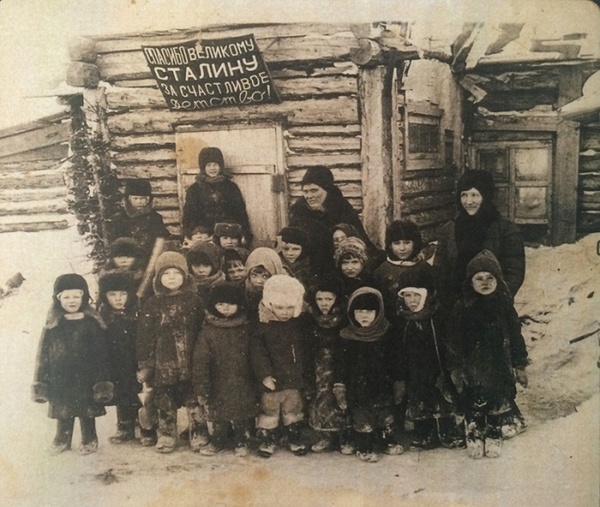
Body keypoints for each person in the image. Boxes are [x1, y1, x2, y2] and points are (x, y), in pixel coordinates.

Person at [445, 250, 528, 459]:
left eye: (490, 278)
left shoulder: (504, 307)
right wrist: (455, 367)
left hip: (498, 363)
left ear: (498, 281)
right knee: (473, 399)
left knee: (496, 399)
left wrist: (519, 365)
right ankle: (473, 431)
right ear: (470, 281)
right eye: (479, 278)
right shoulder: (462, 308)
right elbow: (453, 340)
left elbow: (516, 336)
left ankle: (493, 432)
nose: (484, 283)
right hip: (472, 364)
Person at [32, 274, 113, 455]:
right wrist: (41, 382)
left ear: (84, 297)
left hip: (87, 377)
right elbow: (42, 354)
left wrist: (102, 382)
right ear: (58, 298)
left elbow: (101, 355)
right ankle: (62, 439)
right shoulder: (53, 324)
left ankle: (90, 438)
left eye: (77, 296)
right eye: (66, 297)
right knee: (63, 410)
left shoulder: (92, 322)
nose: (72, 301)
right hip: (60, 377)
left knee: (87, 411)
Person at [136, 252, 206, 453]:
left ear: (185, 276)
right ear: (158, 278)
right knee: (164, 400)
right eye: (167, 274)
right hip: (164, 365)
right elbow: (144, 336)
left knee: (194, 401)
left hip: (192, 362)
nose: (172, 278)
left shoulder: (195, 301)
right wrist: (145, 363)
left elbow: (203, 329)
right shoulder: (152, 304)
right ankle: (166, 434)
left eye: (177, 273)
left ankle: (198, 432)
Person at [394, 266, 463, 451]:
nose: (412, 301)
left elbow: (450, 343)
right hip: (415, 371)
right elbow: (398, 351)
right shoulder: (402, 320)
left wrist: (452, 367)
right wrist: (400, 376)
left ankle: (448, 431)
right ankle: (425, 433)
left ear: (426, 295)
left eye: (417, 295)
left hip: (438, 367)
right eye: (407, 296)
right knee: (420, 400)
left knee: (443, 399)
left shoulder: (437, 316)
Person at [333, 287, 404, 462]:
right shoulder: (346, 336)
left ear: (378, 312)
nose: (364, 316)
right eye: (359, 311)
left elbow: (396, 360)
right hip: (358, 387)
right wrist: (339, 386)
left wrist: (398, 383)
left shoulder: (387, 333)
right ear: (351, 312)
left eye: (369, 311)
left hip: (382, 385)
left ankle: (387, 439)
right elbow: (340, 365)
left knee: (385, 415)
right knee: (361, 417)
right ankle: (364, 443)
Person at [437, 169, 525, 308]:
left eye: (475, 195)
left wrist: (495, 299)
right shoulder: (449, 229)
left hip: (492, 305)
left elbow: (514, 272)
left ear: (486, 196)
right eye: (464, 195)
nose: (469, 201)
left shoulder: (506, 230)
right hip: (456, 306)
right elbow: (440, 271)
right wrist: (447, 301)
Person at [192, 281, 258, 457]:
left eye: (231, 304)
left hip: (242, 378)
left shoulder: (246, 328)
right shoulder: (208, 331)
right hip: (217, 379)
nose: (226, 308)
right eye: (221, 304)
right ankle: (217, 441)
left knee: (242, 413)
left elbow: (255, 354)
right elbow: (201, 360)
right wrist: (202, 386)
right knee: (216, 414)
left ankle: (242, 441)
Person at [250, 275, 311, 458]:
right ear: (270, 305)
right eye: (279, 307)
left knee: (293, 411)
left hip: (293, 380)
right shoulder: (263, 327)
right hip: (273, 381)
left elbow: (304, 353)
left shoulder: (298, 325)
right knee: (270, 411)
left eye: (290, 307)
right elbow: (258, 354)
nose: (285, 312)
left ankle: (294, 437)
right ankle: (267, 439)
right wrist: (265, 375)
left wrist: (304, 376)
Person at [289, 166, 377, 275]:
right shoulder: (300, 213)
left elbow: (362, 242)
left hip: (342, 269)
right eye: (305, 191)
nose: (309, 196)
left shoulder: (342, 209)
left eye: (314, 190)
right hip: (309, 270)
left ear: (327, 189)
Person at [97, 271, 147, 445]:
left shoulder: (136, 315)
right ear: (105, 296)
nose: (118, 299)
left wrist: (143, 364)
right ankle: (125, 426)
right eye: (112, 294)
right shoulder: (102, 318)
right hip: (115, 364)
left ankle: (145, 424)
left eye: (123, 294)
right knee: (121, 394)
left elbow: (143, 339)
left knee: (133, 393)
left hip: (133, 362)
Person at [305, 276, 348, 453]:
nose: (324, 303)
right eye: (320, 299)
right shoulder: (310, 319)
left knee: (341, 400)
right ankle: (326, 436)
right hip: (319, 367)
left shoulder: (344, 318)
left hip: (338, 365)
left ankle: (345, 437)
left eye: (329, 299)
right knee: (322, 400)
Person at [182, 147, 252, 247]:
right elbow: (189, 215)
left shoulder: (231, 187)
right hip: (204, 235)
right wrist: (193, 233)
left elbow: (240, 213)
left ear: (221, 166)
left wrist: (243, 232)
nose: (212, 168)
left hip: (226, 236)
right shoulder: (195, 189)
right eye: (208, 165)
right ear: (203, 167)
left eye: (215, 164)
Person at [373, 220, 430, 322]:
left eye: (407, 243)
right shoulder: (382, 271)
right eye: (397, 243)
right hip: (391, 322)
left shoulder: (424, 268)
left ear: (415, 243)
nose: (402, 248)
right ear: (390, 245)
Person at [106, 179, 170, 267]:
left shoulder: (155, 218)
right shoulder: (120, 219)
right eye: (135, 198)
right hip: (127, 261)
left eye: (142, 198)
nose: (139, 202)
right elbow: (115, 242)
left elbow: (161, 239)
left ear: (147, 200)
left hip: (150, 260)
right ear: (129, 199)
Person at [244, 247, 286, 322]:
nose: (259, 281)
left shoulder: (287, 290)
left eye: (265, 276)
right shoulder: (243, 289)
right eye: (254, 275)